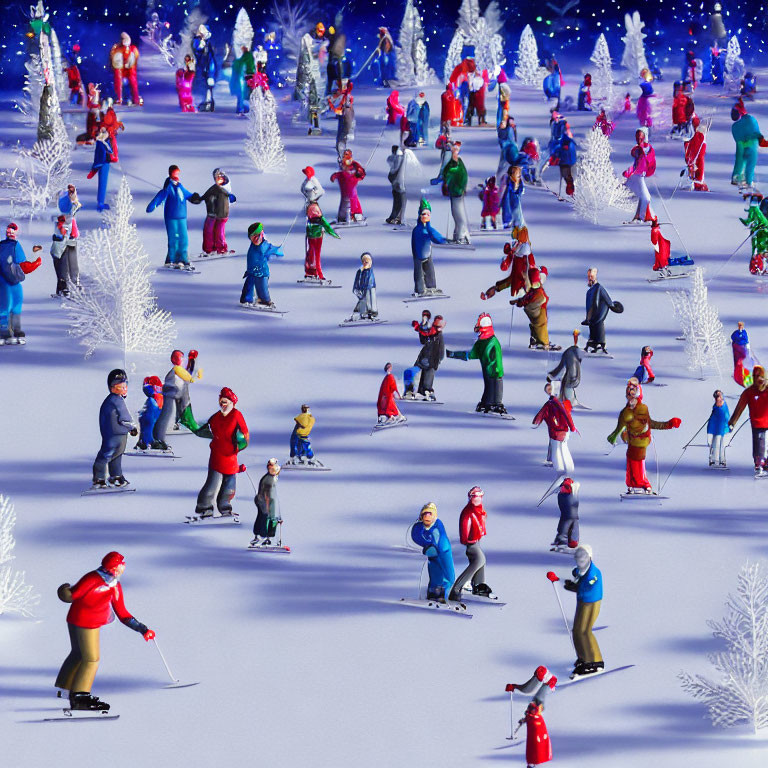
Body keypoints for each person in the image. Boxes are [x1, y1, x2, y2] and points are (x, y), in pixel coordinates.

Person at [55, 552, 154, 711]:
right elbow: (72, 595)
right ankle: (80, 698)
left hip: (78, 620)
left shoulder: (114, 585)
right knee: (92, 659)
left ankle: (65, 688)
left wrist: (142, 629)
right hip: (85, 623)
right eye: (122, 564)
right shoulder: (93, 579)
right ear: (115, 568)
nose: (124, 567)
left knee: (78, 654)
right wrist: (63, 589)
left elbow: (123, 614)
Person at [182, 387, 249, 517]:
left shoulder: (236, 415)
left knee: (229, 487)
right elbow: (203, 430)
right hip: (217, 456)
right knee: (212, 485)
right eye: (221, 401)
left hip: (231, 458)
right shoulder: (216, 417)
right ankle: (204, 508)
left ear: (232, 403)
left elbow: (244, 435)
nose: (222, 405)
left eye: (225, 402)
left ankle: (225, 509)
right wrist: (188, 419)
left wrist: (238, 447)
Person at [607, 377, 682, 493]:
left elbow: (651, 423)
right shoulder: (625, 412)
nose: (631, 398)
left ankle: (645, 484)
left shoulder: (643, 409)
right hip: (632, 443)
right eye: (629, 395)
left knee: (639, 463)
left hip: (641, 443)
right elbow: (619, 427)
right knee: (631, 464)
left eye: (633, 396)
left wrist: (669, 424)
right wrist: (615, 436)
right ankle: (632, 485)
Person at [447, 313, 506, 414]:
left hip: (494, 370)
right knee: (489, 385)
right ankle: (487, 403)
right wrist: (454, 354)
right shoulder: (480, 342)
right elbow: (471, 354)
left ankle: (495, 403)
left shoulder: (493, 342)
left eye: (479, 329)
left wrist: (497, 370)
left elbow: (496, 357)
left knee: (495, 385)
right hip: (487, 369)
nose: (477, 333)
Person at [92, 369, 138, 489]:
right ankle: (99, 478)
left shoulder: (112, 400)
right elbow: (124, 417)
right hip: (114, 434)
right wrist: (132, 427)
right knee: (106, 455)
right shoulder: (116, 400)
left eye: (124, 386)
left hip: (116, 433)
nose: (123, 389)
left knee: (117, 455)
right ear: (112, 388)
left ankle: (116, 476)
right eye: (120, 387)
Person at [146, 165, 198, 269]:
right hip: (171, 216)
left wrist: (195, 198)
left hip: (182, 216)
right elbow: (160, 196)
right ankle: (171, 259)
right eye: (175, 173)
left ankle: (183, 258)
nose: (177, 175)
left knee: (183, 238)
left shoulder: (179, 186)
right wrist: (153, 205)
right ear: (171, 173)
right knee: (174, 238)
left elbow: (187, 195)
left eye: (178, 173)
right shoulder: (168, 187)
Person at [563, 544, 603, 677]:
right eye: (578, 557)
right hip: (582, 600)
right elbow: (577, 575)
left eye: (583, 557)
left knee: (585, 631)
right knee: (577, 631)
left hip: (591, 602)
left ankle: (596, 661)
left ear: (589, 558)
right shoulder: (580, 570)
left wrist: (574, 586)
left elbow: (586, 586)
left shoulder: (593, 573)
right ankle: (583, 658)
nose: (580, 560)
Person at [152, 350, 203, 450]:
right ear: (176, 359)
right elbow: (190, 378)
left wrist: (192, 361)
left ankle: (159, 438)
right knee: (166, 415)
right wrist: (196, 368)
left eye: (183, 357)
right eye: (181, 357)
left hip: (174, 395)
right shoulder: (177, 369)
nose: (183, 359)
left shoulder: (178, 369)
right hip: (170, 396)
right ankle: (158, 439)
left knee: (168, 414)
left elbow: (188, 374)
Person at [0, 223, 41, 345]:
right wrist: (37, 262)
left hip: (3, 281)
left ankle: (6, 331)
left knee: (5, 305)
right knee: (13, 305)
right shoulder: (15, 246)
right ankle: (10, 331)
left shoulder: (2, 245)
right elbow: (24, 266)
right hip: (11, 281)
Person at [449, 487, 492, 601]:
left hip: (476, 541)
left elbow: (480, 524)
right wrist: (467, 539)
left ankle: (479, 585)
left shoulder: (479, 510)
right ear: (470, 497)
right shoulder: (469, 511)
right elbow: (465, 527)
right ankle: (456, 589)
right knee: (479, 560)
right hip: (471, 543)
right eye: (474, 496)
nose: (477, 499)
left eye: (479, 496)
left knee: (480, 560)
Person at [410, 502, 455, 602]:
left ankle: (444, 592)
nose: (427, 517)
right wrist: (427, 545)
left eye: (430, 514)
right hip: (432, 553)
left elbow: (441, 539)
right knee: (435, 572)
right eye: (424, 514)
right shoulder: (418, 527)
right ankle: (433, 591)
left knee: (449, 575)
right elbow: (415, 536)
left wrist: (436, 547)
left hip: (444, 552)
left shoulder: (438, 524)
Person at [728, 365, 768, 476]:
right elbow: (740, 408)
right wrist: (732, 423)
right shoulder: (749, 392)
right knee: (759, 444)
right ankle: (759, 465)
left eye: (759, 376)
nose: (757, 379)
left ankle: (765, 464)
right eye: (754, 376)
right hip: (757, 423)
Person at [189, 168, 236, 257]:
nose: (218, 180)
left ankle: (221, 249)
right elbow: (203, 197)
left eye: (220, 177)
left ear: (224, 178)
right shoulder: (213, 189)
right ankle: (209, 250)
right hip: (211, 214)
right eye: (216, 178)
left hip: (221, 215)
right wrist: (196, 198)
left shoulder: (225, 190)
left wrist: (230, 197)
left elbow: (232, 199)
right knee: (208, 231)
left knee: (219, 232)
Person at [533, 382, 577, 474]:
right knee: (558, 448)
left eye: (549, 390)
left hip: (561, 430)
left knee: (560, 449)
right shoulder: (551, 402)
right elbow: (542, 413)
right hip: (556, 430)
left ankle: (563, 468)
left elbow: (567, 415)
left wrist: (572, 427)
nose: (549, 392)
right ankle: (562, 467)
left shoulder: (558, 402)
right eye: (547, 391)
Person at [240, 222, 284, 307]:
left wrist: (279, 250)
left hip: (261, 272)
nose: (256, 238)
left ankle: (264, 300)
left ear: (262, 234)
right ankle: (246, 300)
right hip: (251, 271)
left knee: (262, 288)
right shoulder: (253, 245)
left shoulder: (264, 245)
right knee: (248, 286)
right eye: (253, 236)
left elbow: (274, 250)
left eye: (258, 235)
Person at [582, 267, 623, 354]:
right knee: (592, 329)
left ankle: (600, 345)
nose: (590, 278)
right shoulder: (589, 291)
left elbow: (607, 298)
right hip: (591, 316)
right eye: (589, 276)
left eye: (591, 276)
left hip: (598, 315)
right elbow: (588, 305)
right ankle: (593, 344)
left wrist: (613, 306)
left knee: (598, 328)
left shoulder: (599, 288)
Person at [730, 98, 768, 192]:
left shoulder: (734, 126)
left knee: (740, 161)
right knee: (750, 163)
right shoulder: (751, 120)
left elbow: (737, 138)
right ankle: (749, 181)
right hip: (752, 145)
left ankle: (737, 177)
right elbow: (756, 133)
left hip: (741, 147)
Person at [411, 200, 446, 296]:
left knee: (430, 271)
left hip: (428, 253)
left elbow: (435, 236)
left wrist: (443, 240)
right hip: (419, 255)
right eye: (423, 214)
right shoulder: (418, 230)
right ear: (419, 215)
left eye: (428, 214)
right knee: (419, 273)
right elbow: (430, 235)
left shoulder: (429, 228)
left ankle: (431, 287)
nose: (425, 216)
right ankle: (420, 289)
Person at [517, 268, 558, 350]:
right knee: (541, 325)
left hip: (536, 309)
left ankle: (535, 340)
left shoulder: (532, 291)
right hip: (539, 309)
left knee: (534, 325)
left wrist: (520, 302)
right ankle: (543, 343)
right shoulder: (537, 291)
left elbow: (525, 299)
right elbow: (541, 298)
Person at [623, 128, 656, 223]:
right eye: (637, 137)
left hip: (639, 176)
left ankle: (639, 216)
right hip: (636, 177)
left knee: (644, 197)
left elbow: (649, 161)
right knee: (645, 197)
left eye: (640, 137)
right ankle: (640, 218)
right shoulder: (638, 150)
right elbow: (636, 165)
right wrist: (629, 172)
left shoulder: (647, 148)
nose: (638, 139)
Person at [409, 314, 446, 400]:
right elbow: (423, 340)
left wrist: (439, 359)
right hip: (424, 359)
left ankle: (427, 391)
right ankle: (419, 391)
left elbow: (441, 350)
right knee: (418, 375)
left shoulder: (438, 336)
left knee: (428, 378)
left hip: (432, 361)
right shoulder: (431, 334)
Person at [442, 141, 470, 244]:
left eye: (456, 150)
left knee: (460, 215)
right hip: (454, 192)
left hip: (458, 192)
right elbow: (446, 173)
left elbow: (463, 175)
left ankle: (460, 236)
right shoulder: (451, 164)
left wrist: (463, 187)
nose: (455, 152)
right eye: (454, 150)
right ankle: (458, 236)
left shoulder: (459, 163)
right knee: (457, 214)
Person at [304, 202, 339, 281]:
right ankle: (316, 273)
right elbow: (327, 227)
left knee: (312, 254)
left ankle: (314, 273)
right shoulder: (318, 218)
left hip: (312, 238)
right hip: (316, 238)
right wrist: (333, 234)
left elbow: (326, 227)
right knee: (314, 255)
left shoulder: (310, 219)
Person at [251, 459, 281, 546]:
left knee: (272, 519)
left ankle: (268, 538)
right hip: (265, 504)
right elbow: (267, 496)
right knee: (265, 519)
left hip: (269, 503)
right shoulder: (268, 480)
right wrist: (267, 506)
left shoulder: (273, 478)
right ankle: (261, 537)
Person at [548, 330, 583, 406]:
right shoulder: (576, 354)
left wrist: (552, 375)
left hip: (571, 379)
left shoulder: (567, 354)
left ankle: (570, 403)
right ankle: (567, 401)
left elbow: (561, 367)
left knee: (567, 389)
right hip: (574, 377)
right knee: (566, 385)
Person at [330, 150, 366, 224]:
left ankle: (355, 214)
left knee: (353, 199)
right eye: (344, 155)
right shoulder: (342, 164)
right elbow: (341, 173)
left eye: (346, 154)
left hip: (351, 186)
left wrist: (358, 175)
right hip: (343, 186)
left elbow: (361, 173)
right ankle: (342, 216)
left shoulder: (354, 164)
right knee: (344, 201)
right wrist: (335, 176)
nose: (345, 156)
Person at [86, 127, 115, 212]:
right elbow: (105, 152)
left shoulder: (104, 141)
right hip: (103, 164)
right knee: (102, 183)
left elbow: (110, 150)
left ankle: (100, 202)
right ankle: (100, 203)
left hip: (105, 163)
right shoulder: (101, 142)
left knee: (103, 183)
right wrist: (98, 164)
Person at [109, 32, 141, 105]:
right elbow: (113, 57)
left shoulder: (133, 48)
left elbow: (135, 57)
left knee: (133, 81)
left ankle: (135, 99)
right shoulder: (117, 48)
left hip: (130, 68)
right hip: (120, 68)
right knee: (118, 80)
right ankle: (119, 98)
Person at [136, 376, 163, 450]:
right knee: (148, 426)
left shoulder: (156, 399)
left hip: (152, 415)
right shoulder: (152, 400)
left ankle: (145, 442)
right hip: (148, 417)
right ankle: (146, 442)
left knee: (150, 427)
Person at [349, 252, 377, 321]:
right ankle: (362, 313)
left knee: (370, 300)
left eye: (367, 261)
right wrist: (357, 288)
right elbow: (357, 280)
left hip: (370, 287)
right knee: (364, 300)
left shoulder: (369, 271)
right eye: (363, 261)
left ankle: (372, 313)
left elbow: (370, 280)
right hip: (364, 288)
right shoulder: (360, 271)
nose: (365, 263)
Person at [707, 390, 731, 467]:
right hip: (716, 429)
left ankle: (722, 460)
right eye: (717, 396)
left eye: (720, 396)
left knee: (722, 445)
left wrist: (730, 425)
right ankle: (714, 460)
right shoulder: (716, 408)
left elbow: (727, 416)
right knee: (715, 443)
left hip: (723, 428)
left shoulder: (724, 406)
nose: (719, 398)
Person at [684, 117, 708, 191]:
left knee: (696, 163)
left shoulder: (695, 136)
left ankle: (695, 181)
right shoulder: (698, 136)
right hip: (694, 159)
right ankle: (697, 182)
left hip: (693, 158)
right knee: (698, 163)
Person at [386, 146, 408, 225]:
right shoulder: (402, 157)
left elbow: (394, 169)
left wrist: (391, 175)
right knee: (399, 199)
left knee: (399, 199)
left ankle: (397, 217)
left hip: (399, 182)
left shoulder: (399, 157)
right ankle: (396, 217)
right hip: (399, 182)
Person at [500, 165, 525, 230]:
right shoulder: (508, 179)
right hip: (508, 198)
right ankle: (508, 223)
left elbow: (521, 190)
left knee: (516, 211)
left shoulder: (519, 181)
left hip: (515, 199)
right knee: (508, 210)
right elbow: (504, 189)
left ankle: (517, 224)